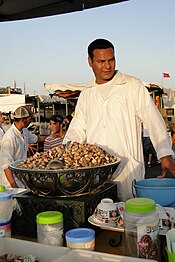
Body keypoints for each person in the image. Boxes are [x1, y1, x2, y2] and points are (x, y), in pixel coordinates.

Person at [63, 38, 175, 201]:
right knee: (101, 215)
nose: (107, 66)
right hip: (96, 174)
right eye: (101, 61)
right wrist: (64, 154)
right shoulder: (87, 94)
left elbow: (154, 120)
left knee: (131, 216)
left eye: (111, 60)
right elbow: (77, 130)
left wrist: (165, 154)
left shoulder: (132, 86)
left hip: (128, 170)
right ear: (90, 62)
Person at [0, 106, 39, 188]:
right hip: (10, 183)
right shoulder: (10, 138)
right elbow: (6, 166)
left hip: (21, 178)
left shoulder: (24, 131)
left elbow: (35, 139)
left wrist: (52, 137)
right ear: (23, 120)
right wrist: (14, 187)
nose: (31, 121)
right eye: (29, 119)